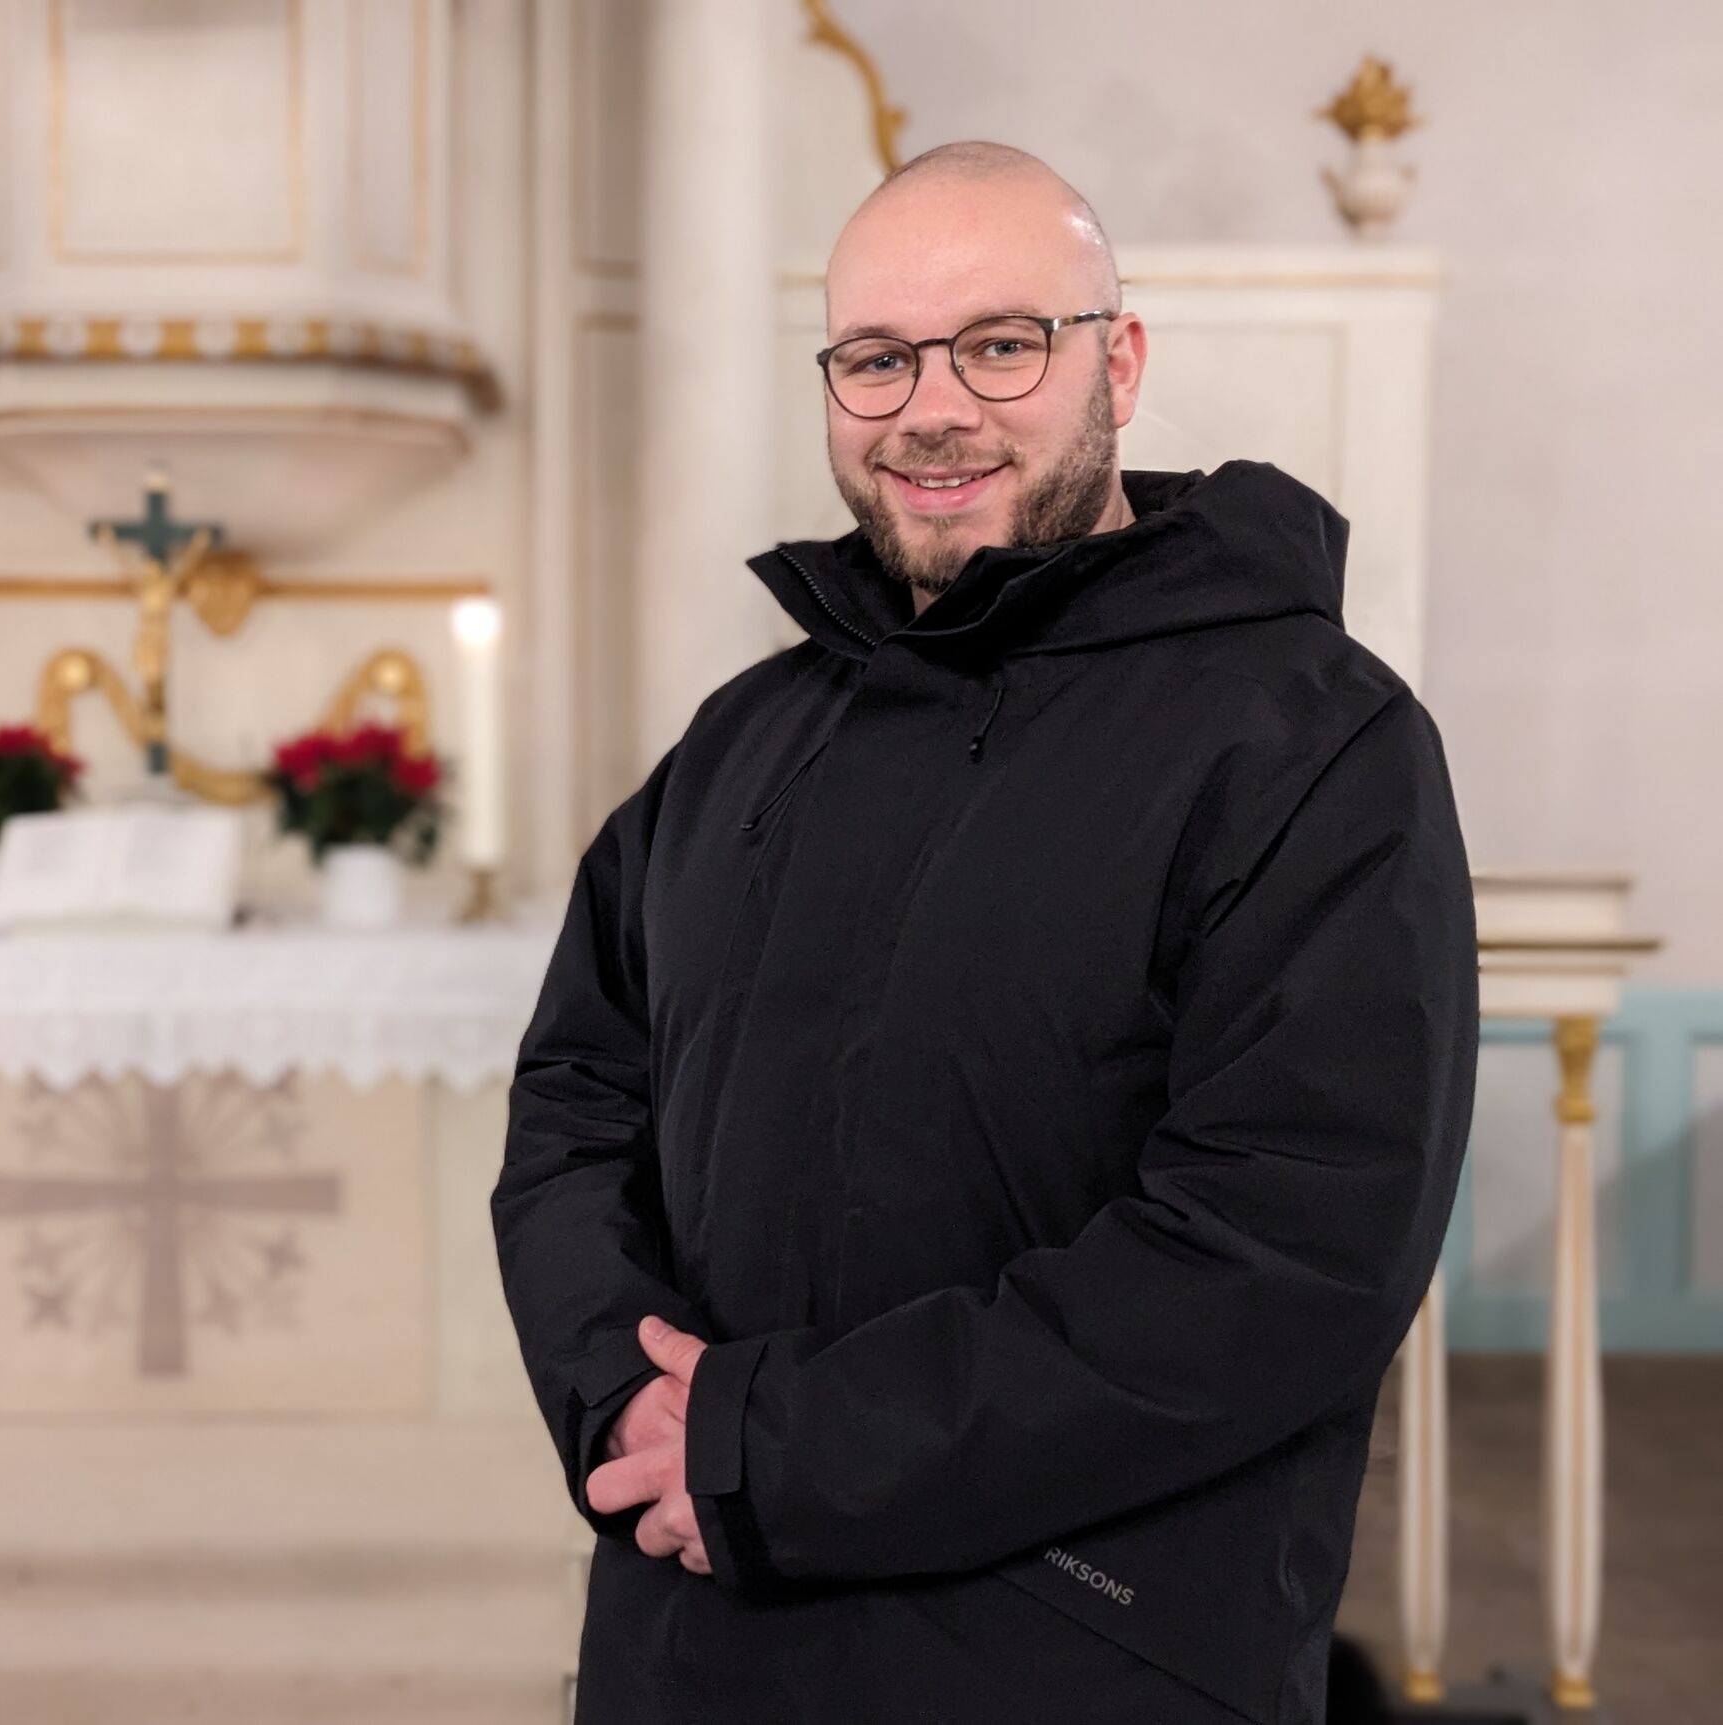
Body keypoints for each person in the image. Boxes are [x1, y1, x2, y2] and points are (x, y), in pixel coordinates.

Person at [490, 140, 1478, 1724]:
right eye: (876, 358)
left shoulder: (1310, 739)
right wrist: (623, 1400)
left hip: (1077, 1649)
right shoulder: (744, 736)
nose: (932, 407)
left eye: (1001, 344)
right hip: (698, 1631)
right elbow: (574, 1098)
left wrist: (767, 1443)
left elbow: (1283, 1251)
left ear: (1121, 361)